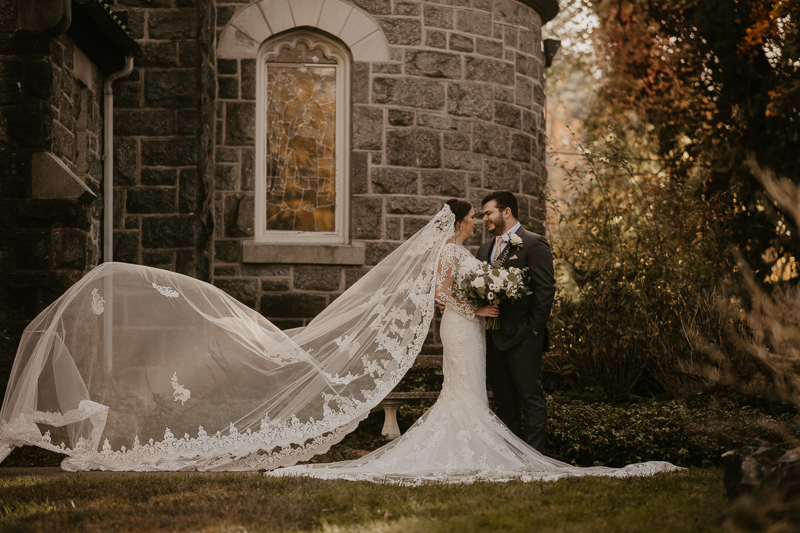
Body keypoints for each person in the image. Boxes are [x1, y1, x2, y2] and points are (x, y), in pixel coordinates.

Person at [0, 200, 677, 482]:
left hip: (473, 332)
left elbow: (475, 291)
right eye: (474, 215)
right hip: (465, 325)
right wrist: (480, 300)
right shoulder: (449, 252)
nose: (479, 219)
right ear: (464, 221)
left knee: (467, 391)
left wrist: (488, 301)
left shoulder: (478, 249)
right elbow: (445, 293)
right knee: (462, 393)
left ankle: (478, 439)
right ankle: (464, 442)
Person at [477, 190, 555, 452]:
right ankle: (512, 457)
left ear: (506, 212)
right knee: (504, 402)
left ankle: (535, 458)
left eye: (488, 213)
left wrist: (533, 329)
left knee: (530, 400)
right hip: (493, 338)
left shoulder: (534, 243)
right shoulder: (484, 249)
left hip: (523, 336)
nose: (484, 218)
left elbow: (545, 290)